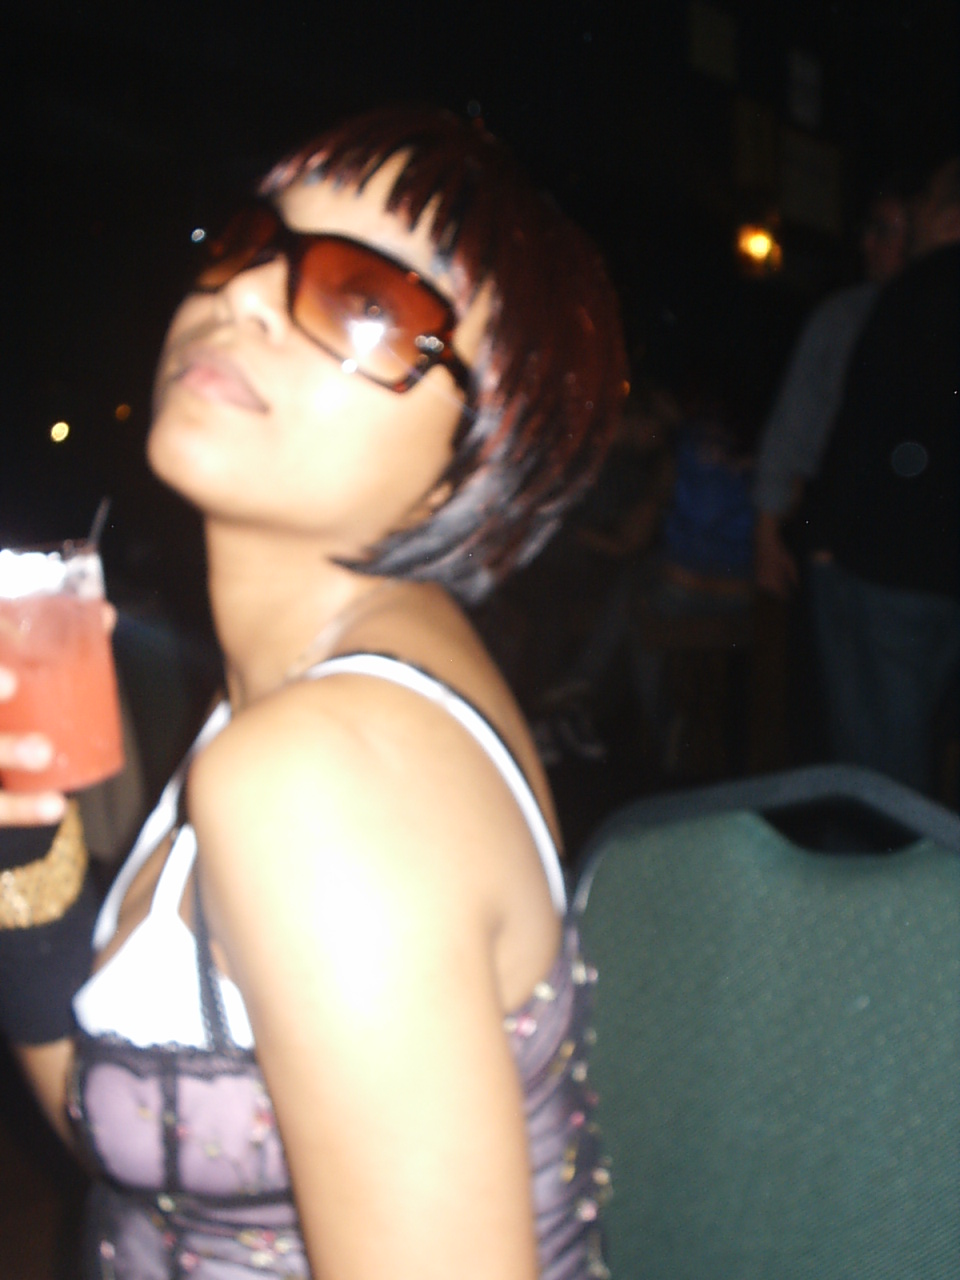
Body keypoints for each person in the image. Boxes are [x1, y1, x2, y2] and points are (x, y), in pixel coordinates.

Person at [0, 106, 627, 1279]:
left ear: (481, 455)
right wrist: (19, 847)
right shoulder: (310, 695)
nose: (242, 294)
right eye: (251, 241)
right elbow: (127, 1130)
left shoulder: (325, 771)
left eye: (362, 300)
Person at [805, 156, 960, 792]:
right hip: (945, 576)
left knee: (873, 769)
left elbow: (863, 432)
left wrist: (822, 537)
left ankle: (880, 858)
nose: (916, 212)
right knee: (917, 746)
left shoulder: (912, 296)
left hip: (883, 570)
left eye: (925, 200)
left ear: (950, 214)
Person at [753, 188, 908, 598]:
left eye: (884, 231)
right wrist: (767, 532)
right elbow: (792, 423)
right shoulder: (842, 318)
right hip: (838, 539)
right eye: (868, 230)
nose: (868, 243)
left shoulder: (939, 320)